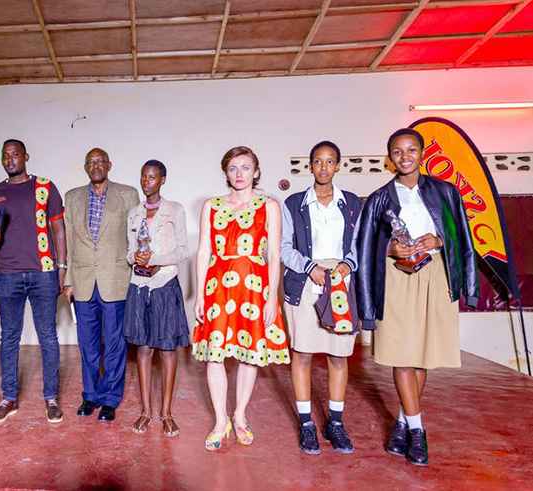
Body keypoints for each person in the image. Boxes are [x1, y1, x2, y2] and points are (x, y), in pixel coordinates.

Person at [357, 128, 478, 466]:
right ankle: (417, 432)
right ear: (390, 158)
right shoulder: (380, 197)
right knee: (402, 355)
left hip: (435, 275)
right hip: (396, 277)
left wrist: (437, 240)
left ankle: (402, 421)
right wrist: (391, 247)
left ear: (422, 153)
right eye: (397, 152)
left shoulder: (445, 191)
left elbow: (459, 235)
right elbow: (366, 247)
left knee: (421, 355)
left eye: (411, 150)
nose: (405, 156)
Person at [191, 146, 289, 451]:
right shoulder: (212, 205)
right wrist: (199, 294)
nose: (239, 174)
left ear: (256, 172)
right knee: (214, 355)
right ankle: (221, 421)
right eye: (233, 168)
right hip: (218, 286)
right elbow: (204, 252)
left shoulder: (269, 205)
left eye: (245, 168)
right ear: (226, 173)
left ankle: (240, 415)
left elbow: (274, 255)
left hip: (254, 286)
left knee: (250, 354)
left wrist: (272, 297)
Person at [281, 141, 362, 454]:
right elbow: (284, 248)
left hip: (340, 284)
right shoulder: (294, 204)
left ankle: (336, 423)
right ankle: (306, 423)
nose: (324, 167)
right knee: (302, 354)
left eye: (330, 162)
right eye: (318, 161)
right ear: (310, 166)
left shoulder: (353, 203)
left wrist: (348, 264)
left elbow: (358, 245)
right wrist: (309, 266)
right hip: (306, 282)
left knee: (338, 355)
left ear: (338, 166)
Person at [0, 139, 67, 424]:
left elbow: (58, 227)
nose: (9, 159)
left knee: (47, 336)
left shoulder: (44, 186)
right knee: (9, 337)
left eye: (15, 154)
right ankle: (9, 398)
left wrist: (61, 267)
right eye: (4, 155)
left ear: (26, 157)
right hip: (7, 274)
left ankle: (51, 398)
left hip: (43, 272)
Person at [63, 148, 139, 423]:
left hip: (115, 279)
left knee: (116, 344)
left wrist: (136, 276)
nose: (95, 166)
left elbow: (135, 237)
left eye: (100, 161)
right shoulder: (72, 197)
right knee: (88, 344)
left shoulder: (128, 194)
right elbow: (70, 242)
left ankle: (110, 399)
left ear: (109, 165)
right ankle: (91, 395)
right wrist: (68, 279)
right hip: (82, 281)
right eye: (90, 162)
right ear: (85, 167)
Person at [125, 160, 190, 437]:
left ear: (163, 180)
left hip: (164, 284)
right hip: (139, 285)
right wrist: (136, 260)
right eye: (143, 177)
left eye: (152, 177)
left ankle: (166, 412)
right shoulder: (134, 213)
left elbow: (183, 251)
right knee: (143, 349)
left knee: (166, 350)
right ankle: (145, 412)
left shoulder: (174, 210)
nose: (146, 181)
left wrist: (156, 262)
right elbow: (129, 252)